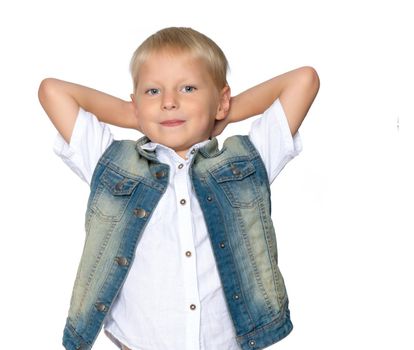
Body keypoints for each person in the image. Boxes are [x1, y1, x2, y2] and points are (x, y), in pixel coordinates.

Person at [38, 27, 320, 350]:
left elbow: (304, 81)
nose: (169, 103)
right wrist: (137, 118)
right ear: (136, 104)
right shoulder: (114, 163)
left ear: (220, 99)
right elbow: (52, 92)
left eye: (187, 88)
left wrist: (223, 114)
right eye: (153, 92)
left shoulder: (244, 162)